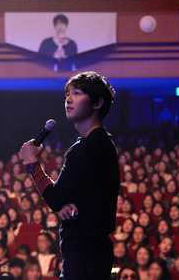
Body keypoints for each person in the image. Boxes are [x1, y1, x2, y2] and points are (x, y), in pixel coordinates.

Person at [20, 71, 118, 280]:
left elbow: (55, 198)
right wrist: (69, 206)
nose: (69, 99)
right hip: (94, 250)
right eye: (67, 94)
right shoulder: (103, 143)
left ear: (97, 103)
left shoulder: (87, 147)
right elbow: (83, 195)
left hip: (84, 252)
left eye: (77, 93)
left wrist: (32, 164)